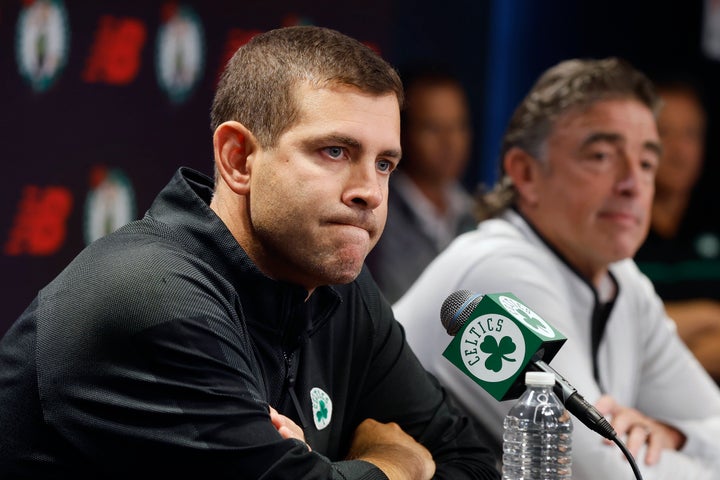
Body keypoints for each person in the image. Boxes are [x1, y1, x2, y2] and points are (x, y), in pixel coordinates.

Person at [0, 26, 500, 480]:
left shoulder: (340, 290)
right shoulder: (149, 294)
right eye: (335, 151)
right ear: (238, 159)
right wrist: (398, 462)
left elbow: (474, 463)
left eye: (385, 163)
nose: (369, 190)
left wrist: (328, 471)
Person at [394, 57, 720, 479]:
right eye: (602, 155)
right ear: (525, 173)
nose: (632, 184)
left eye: (646, 163)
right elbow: (597, 476)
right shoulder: (496, 273)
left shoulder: (621, 279)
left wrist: (675, 436)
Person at [365, 64, 477, 303]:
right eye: (433, 128)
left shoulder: (481, 214)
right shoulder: (375, 211)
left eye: (459, 126)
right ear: (401, 132)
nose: (450, 142)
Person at [634, 78, 720, 383]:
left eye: (691, 134)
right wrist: (708, 315)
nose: (679, 150)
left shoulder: (713, 224)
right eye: (665, 132)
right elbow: (621, 332)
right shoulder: (619, 229)